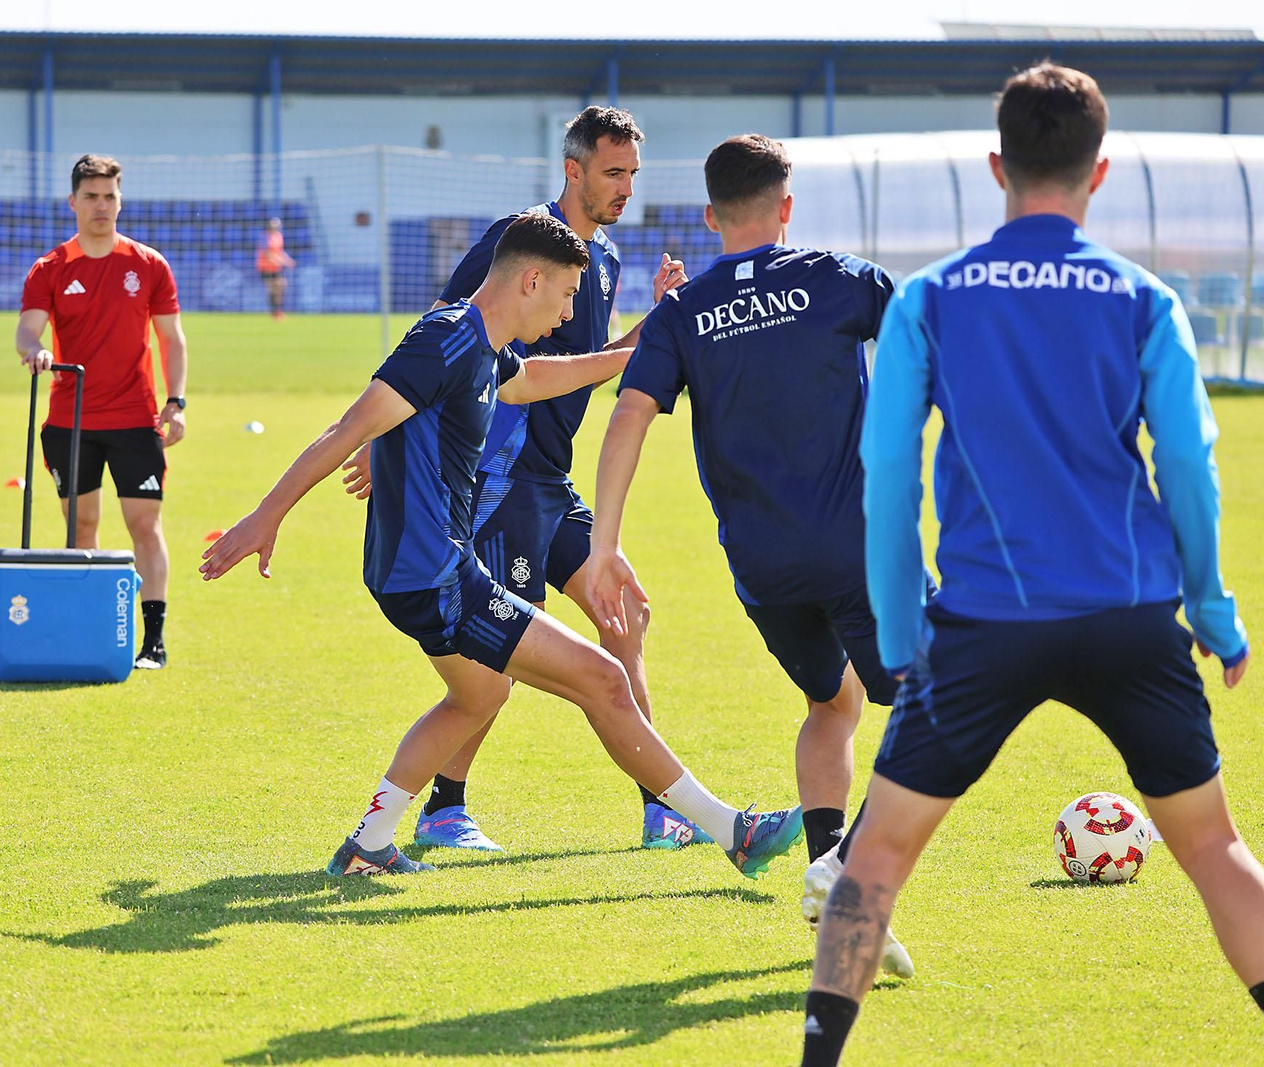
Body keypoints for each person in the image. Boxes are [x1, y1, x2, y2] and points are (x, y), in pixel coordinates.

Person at [800, 64, 1263, 1066]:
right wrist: (1214, 614)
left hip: (980, 625)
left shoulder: (929, 298)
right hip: (1131, 616)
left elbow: (886, 473)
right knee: (1217, 851)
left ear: (995, 164)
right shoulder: (1143, 299)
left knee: (873, 856)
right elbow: (1186, 463)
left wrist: (897, 628)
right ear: (1099, 172)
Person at [200, 213, 802, 878]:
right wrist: (266, 514)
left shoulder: (483, 345)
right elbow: (349, 426)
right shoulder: (446, 339)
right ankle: (732, 830)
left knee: (479, 697)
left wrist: (643, 351)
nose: (572, 309)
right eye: (568, 295)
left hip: (422, 571)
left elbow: (537, 378)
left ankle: (368, 844)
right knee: (602, 679)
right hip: (436, 577)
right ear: (532, 279)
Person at [585, 133, 911, 977]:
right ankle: (850, 869)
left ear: (708, 215)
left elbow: (627, 417)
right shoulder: (841, 277)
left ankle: (831, 868)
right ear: (787, 208)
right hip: (857, 546)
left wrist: (604, 543)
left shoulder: (682, 312)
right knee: (937, 703)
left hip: (763, 568)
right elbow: (928, 346)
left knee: (833, 701)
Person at [343, 105, 694, 852]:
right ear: (573, 170)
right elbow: (447, 333)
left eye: (633, 173)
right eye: (612, 172)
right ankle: (445, 806)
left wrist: (655, 323)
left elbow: (587, 366)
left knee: (624, 610)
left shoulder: (603, 264)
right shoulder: (521, 239)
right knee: (496, 656)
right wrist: (387, 439)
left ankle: (663, 809)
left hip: (552, 480)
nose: (626, 187)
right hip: (501, 479)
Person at [16, 154, 189, 670]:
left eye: (109, 196)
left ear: (120, 200)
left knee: (144, 525)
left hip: (136, 419)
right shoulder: (50, 268)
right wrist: (35, 350)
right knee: (81, 527)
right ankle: (88, 633)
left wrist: (175, 402)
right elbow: (28, 329)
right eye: (90, 196)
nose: (101, 206)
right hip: (70, 423)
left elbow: (171, 339)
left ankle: (153, 641)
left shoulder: (148, 264)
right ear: (73, 202)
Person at [256, 218, 295, 320]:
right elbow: (266, 253)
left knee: (281, 286)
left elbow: (280, 252)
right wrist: (281, 261)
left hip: (276, 267)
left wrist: (288, 260)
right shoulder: (264, 237)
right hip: (265, 267)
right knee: (272, 288)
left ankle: (278, 311)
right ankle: (275, 311)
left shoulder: (279, 236)